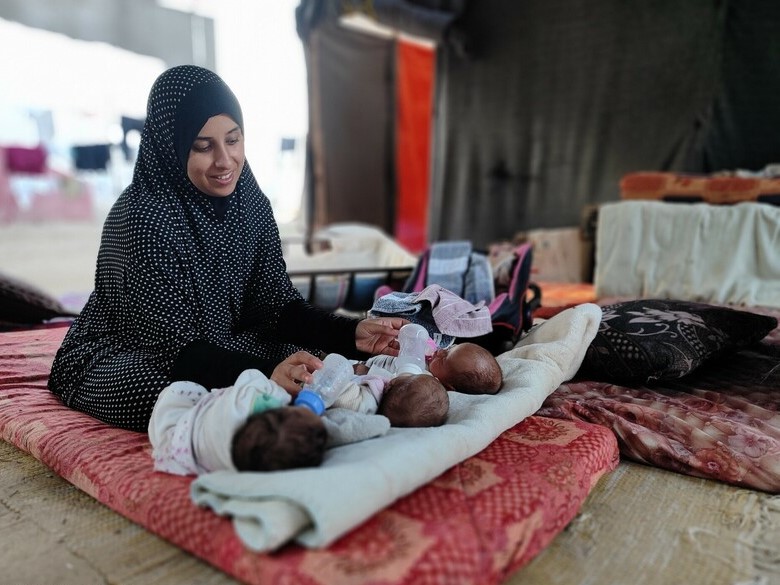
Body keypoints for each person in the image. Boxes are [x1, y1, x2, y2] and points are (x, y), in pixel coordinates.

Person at [48, 65, 405, 433]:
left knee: (312, 363)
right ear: (172, 146)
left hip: (220, 342)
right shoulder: (144, 217)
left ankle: (263, 394)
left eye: (233, 140)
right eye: (203, 147)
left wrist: (351, 333)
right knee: (175, 399)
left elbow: (274, 304)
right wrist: (266, 376)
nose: (225, 161)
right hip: (133, 353)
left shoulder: (250, 202)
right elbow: (173, 349)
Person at [356, 342, 503, 395]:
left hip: (362, 372)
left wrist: (368, 371)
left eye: (444, 358)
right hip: (370, 356)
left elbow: (395, 382)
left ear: (448, 387)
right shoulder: (431, 355)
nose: (440, 351)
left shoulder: (424, 380)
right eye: (450, 348)